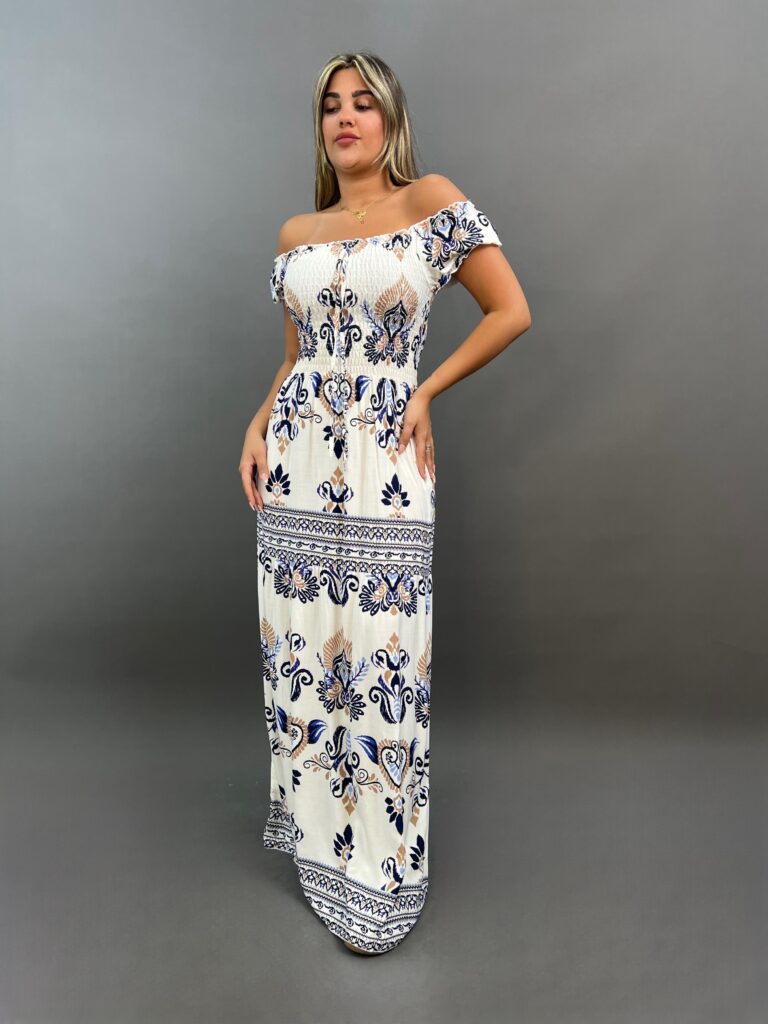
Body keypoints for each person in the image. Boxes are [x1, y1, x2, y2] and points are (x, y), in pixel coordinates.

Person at [239, 51, 531, 955]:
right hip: (296, 462)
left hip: (384, 458)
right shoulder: (297, 231)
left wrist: (426, 388)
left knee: (382, 653)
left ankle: (382, 866)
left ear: (391, 117)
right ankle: (317, 841)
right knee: (300, 649)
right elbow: (297, 359)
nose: (345, 117)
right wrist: (256, 423)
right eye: (331, 105)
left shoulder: (430, 201)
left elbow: (510, 310)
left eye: (363, 103)